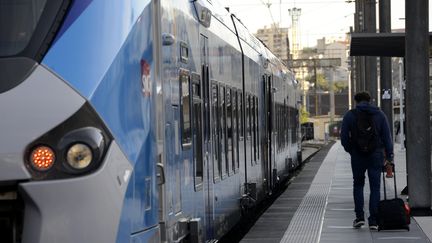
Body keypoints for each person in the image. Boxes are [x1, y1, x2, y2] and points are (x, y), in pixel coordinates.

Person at [340, 91, 393, 230]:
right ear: (370, 100)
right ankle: (374, 221)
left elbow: (344, 138)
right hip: (376, 155)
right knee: (375, 187)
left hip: (357, 155)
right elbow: (387, 138)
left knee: (358, 184)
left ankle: (359, 217)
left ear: (356, 101)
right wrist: (390, 157)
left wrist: (351, 150)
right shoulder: (380, 115)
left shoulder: (350, 115)